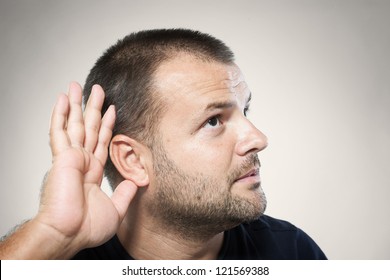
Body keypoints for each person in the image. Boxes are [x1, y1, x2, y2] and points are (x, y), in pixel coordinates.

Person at [0, 29, 326, 260]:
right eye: (213, 121)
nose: (258, 139)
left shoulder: (291, 254)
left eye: (245, 110)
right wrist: (52, 236)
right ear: (133, 160)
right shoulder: (56, 263)